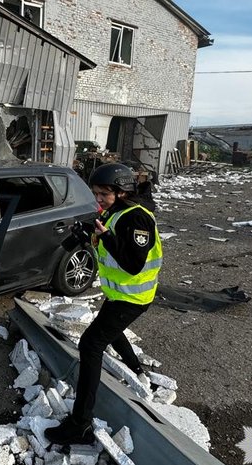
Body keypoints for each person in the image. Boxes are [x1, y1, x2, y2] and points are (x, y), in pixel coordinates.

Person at [44, 163, 164, 445]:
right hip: (120, 296)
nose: (98, 200)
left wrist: (106, 237)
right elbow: (106, 237)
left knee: (90, 344)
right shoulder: (117, 211)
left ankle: (80, 424)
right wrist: (88, 234)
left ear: (122, 192)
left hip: (132, 298)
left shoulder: (137, 219)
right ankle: (136, 369)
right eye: (95, 194)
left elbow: (133, 264)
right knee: (109, 329)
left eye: (103, 195)